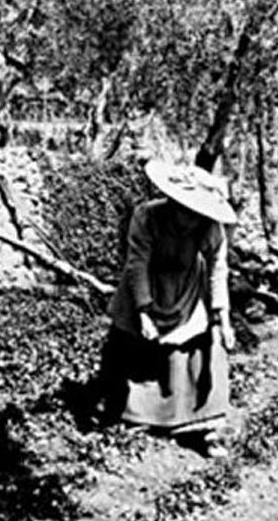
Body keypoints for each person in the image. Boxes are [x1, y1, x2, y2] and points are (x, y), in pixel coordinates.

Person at [92, 160, 237, 458]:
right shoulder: (147, 216)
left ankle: (205, 424)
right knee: (130, 347)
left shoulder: (211, 226)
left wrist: (223, 319)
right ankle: (132, 414)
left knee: (205, 348)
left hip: (187, 286)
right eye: (184, 211)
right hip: (147, 282)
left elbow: (217, 269)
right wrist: (143, 311)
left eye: (195, 214)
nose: (189, 220)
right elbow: (137, 263)